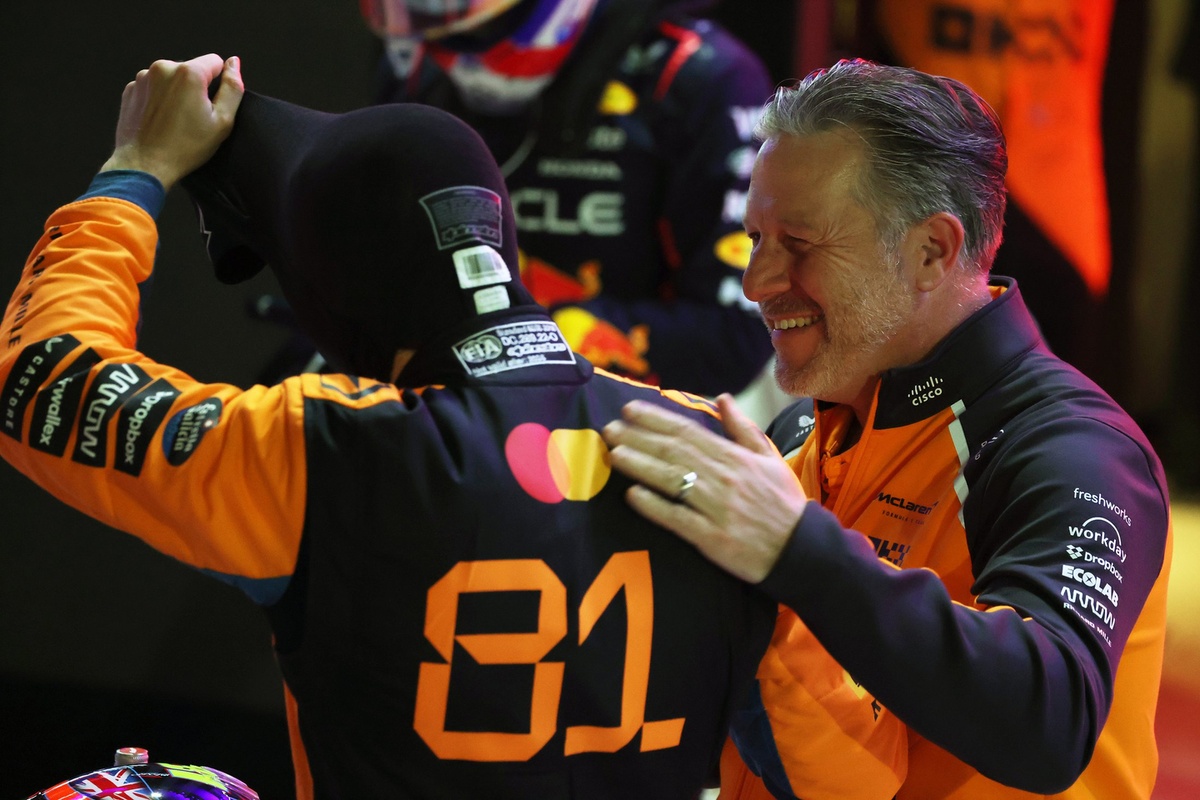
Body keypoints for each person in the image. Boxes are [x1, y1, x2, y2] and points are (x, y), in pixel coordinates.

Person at [0, 54, 775, 799]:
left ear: (348, 294)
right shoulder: (726, 452)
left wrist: (136, 168)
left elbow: (40, 378)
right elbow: (805, 742)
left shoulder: (331, 451)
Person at [601, 59, 1173, 799]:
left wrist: (793, 549)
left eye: (799, 243)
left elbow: (1049, 720)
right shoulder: (798, 433)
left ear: (932, 250)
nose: (757, 282)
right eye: (754, 238)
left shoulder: (1071, 448)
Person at [314, 0, 777, 403]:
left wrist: (496, 337)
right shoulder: (416, 66)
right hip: (448, 408)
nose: (446, 44)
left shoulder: (698, 75)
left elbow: (734, 339)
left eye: (473, 25)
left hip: (634, 421)